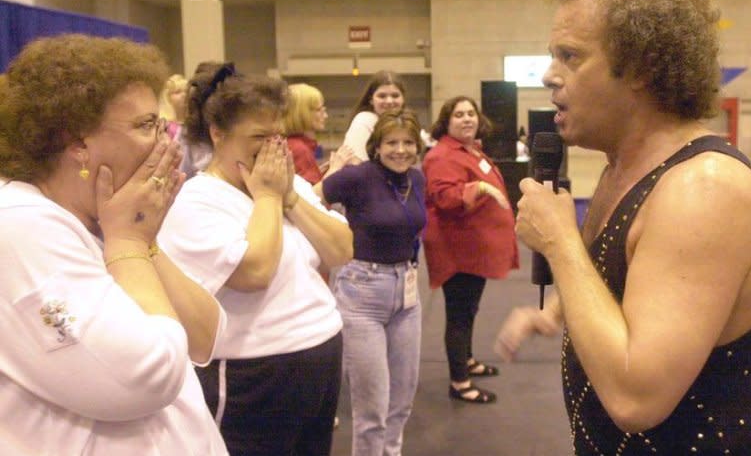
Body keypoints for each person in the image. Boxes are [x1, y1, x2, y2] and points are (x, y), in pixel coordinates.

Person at [495, 0, 751, 454]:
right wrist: (558, 312)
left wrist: (561, 243)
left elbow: (636, 399)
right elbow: (631, 283)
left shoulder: (704, 191)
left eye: (570, 56)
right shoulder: (624, 171)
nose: (548, 75)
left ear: (642, 69)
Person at [0, 34, 227, 455]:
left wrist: (139, 243)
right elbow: (148, 376)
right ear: (77, 144)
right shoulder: (20, 227)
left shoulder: (103, 219)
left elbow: (205, 336)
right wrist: (129, 243)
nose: (166, 143)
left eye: (163, 125)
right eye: (146, 125)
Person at [157, 62, 352, 456]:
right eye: (258, 135)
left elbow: (342, 249)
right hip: (255, 371)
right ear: (218, 134)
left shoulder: (287, 183)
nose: (271, 146)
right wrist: (267, 197)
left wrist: (291, 199)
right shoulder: (198, 200)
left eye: (277, 135)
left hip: (321, 352)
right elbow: (255, 272)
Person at [319, 108, 426, 456]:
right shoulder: (358, 177)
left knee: (401, 404)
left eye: (408, 143)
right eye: (391, 143)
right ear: (376, 147)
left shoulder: (417, 179)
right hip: (362, 292)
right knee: (372, 411)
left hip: (407, 294)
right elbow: (312, 197)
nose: (400, 150)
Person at [423, 95, 519, 404]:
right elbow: (445, 198)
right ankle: (460, 382)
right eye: (459, 115)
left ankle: (466, 361)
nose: (467, 119)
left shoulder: (468, 150)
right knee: (460, 315)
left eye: (471, 113)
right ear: (446, 122)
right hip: (457, 250)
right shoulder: (441, 155)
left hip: (473, 248)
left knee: (469, 309)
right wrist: (478, 188)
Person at [284, 82, 355, 186]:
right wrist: (335, 169)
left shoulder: (294, 145)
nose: (325, 116)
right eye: (318, 110)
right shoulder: (299, 149)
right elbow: (312, 197)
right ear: (301, 113)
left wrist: (321, 171)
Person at [343, 70, 405, 161]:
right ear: (371, 100)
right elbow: (356, 163)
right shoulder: (364, 120)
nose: (389, 101)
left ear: (403, 99)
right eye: (382, 96)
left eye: (395, 96)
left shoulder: (403, 123)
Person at [159, 73, 188, 138]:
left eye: (186, 91)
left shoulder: (193, 123)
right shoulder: (164, 125)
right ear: (167, 97)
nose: (184, 95)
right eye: (177, 92)